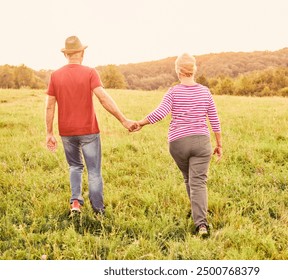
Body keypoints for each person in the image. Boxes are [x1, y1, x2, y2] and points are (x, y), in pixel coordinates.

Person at [45, 35, 136, 215]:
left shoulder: (55, 76)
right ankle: (98, 210)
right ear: (82, 53)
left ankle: (75, 203)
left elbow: (49, 105)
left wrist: (49, 132)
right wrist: (123, 120)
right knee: (94, 171)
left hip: (66, 131)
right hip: (89, 130)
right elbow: (103, 98)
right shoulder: (90, 72)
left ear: (66, 55)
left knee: (75, 167)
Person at [134, 53, 222, 237]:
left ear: (178, 71)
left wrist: (141, 123)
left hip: (178, 143)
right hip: (201, 142)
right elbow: (214, 119)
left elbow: (160, 113)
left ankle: (198, 215)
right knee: (198, 182)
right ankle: (201, 224)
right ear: (194, 70)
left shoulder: (173, 92)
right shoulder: (205, 91)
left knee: (190, 179)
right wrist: (219, 144)